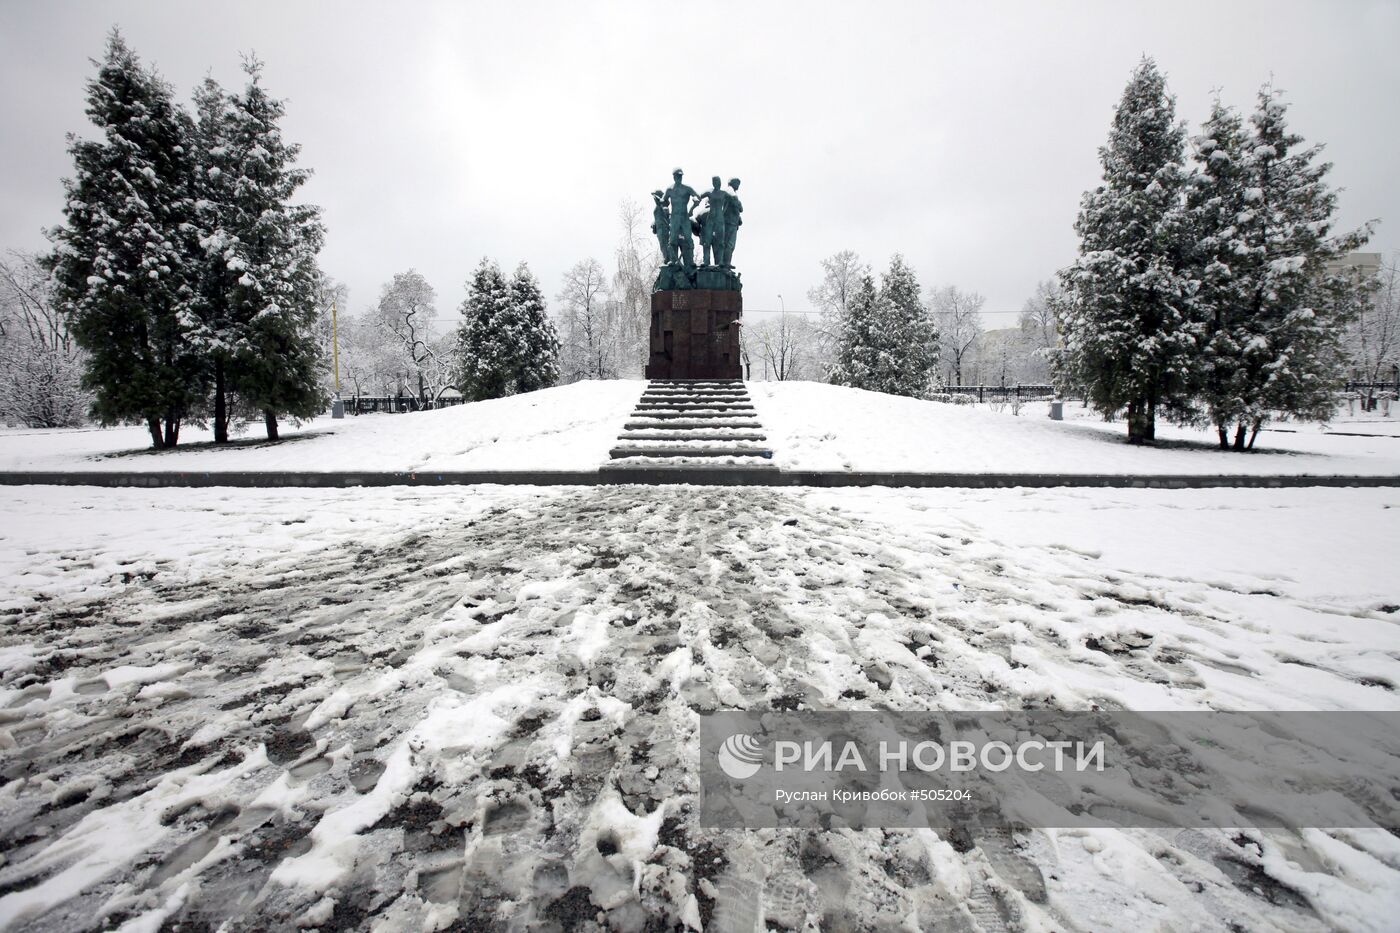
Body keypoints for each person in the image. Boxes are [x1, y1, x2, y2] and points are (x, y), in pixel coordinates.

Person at [663, 168, 700, 270]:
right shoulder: (669, 189)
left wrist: (694, 204)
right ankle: (673, 260)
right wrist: (662, 205)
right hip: (674, 217)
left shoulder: (687, 188)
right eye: (677, 176)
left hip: (684, 217)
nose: (679, 178)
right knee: (673, 239)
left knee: (688, 238)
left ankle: (691, 260)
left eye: (681, 176)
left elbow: (698, 197)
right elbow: (664, 201)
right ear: (674, 177)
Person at [696, 176, 730, 267]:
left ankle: (720, 261)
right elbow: (698, 196)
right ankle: (706, 261)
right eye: (714, 181)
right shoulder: (709, 192)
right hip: (710, 219)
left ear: (720, 182)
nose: (716, 183)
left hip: (720, 219)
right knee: (707, 241)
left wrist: (724, 212)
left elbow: (733, 201)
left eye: (717, 181)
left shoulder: (724, 193)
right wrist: (695, 203)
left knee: (721, 241)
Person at [721, 177, 742, 267]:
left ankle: (727, 262)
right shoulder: (729, 192)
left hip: (733, 223)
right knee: (728, 244)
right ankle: (726, 263)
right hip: (729, 223)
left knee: (730, 245)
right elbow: (740, 207)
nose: (738, 186)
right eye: (737, 184)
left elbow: (737, 209)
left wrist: (738, 218)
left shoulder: (731, 193)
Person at [649, 190, 673, 265]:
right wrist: (654, 223)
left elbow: (667, 218)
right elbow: (658, 217)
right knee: (662, 245)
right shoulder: (658, 207)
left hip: (663, 229)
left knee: (665, 245)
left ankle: (668, 259)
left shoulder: (663, 207)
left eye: (655, 197)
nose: (654, 199)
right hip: (660, 229)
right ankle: (667, 258)